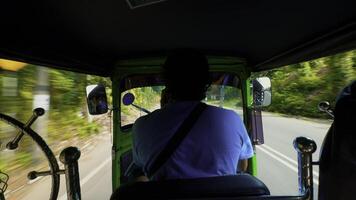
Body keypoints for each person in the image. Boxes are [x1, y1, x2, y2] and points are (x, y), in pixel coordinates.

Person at [132, 49, 253, 181]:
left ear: (167, 83)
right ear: (205, 83)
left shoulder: (142, 126)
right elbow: (242, 166)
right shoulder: (231, 119)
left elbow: (142, 167)